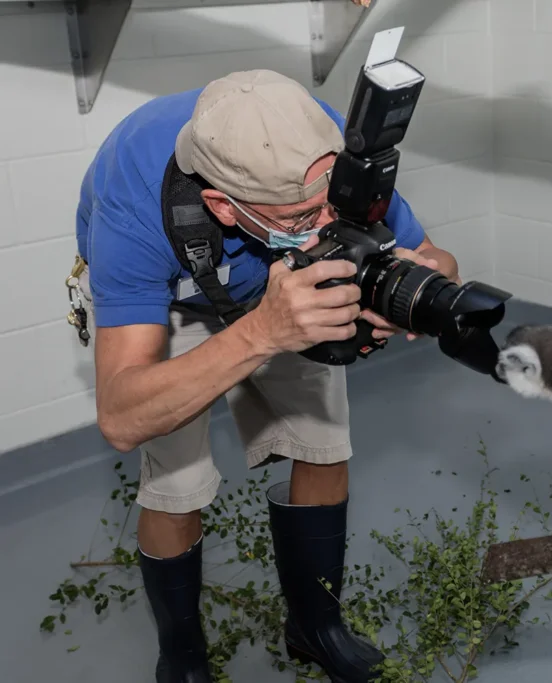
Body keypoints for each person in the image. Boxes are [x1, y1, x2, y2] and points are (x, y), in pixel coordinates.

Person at [71, 68, 459, 682]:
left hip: (278, 291)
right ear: (223, 206)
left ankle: (315, 626)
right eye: (305, 216)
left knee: (323, 447)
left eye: (329, 204)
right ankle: (183, 656)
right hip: (169, 300)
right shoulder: (133, 201)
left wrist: (414, 278)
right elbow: (121, 418)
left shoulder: (323, 141)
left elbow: (434, 254)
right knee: (178, 481)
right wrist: (263, 332)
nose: (325, 221)